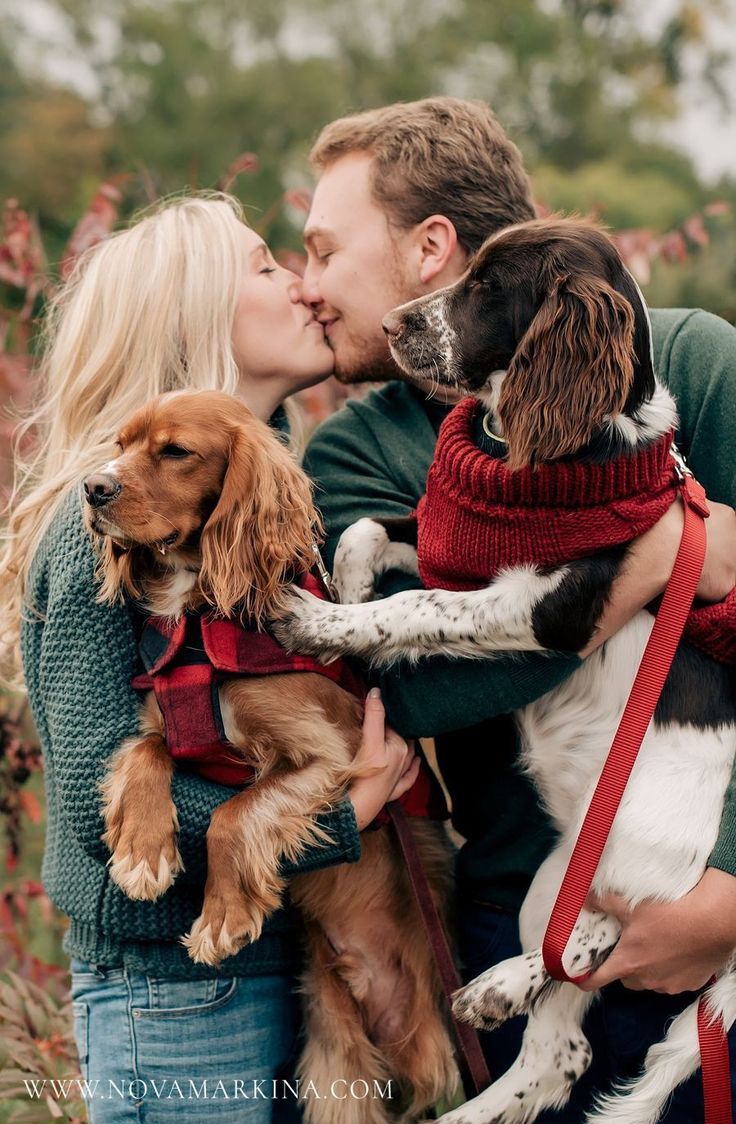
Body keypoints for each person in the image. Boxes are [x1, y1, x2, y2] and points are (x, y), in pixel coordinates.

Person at [301, 97, 736, 1119]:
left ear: (433, 247)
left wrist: (729, 887)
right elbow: (397, 686)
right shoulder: (355, 452)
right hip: (518, 921)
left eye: (323, 250)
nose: (307, 286)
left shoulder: (698, 363)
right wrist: (642, 564)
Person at [0, 193, 418, 1123]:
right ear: (196, 319)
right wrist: (343, 815)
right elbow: (86, 793)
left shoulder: (262, 513)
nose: (304, 285)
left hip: (284, 951)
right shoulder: (98, 522)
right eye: (267, 267)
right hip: (172, 993)